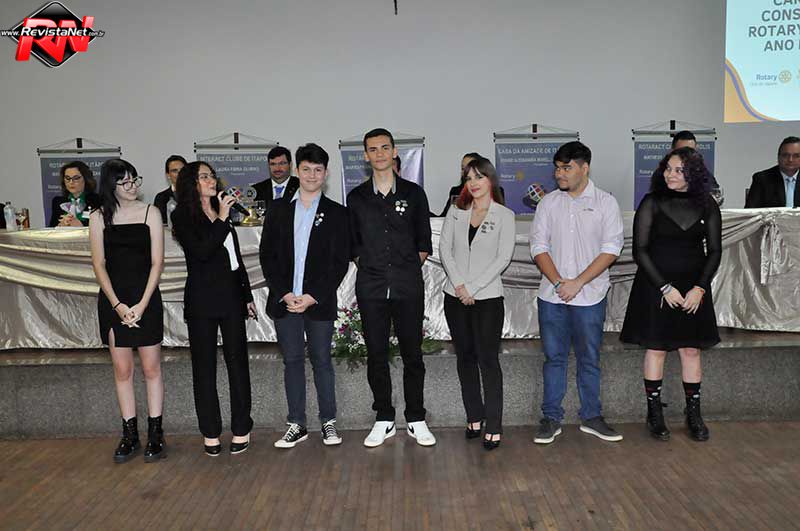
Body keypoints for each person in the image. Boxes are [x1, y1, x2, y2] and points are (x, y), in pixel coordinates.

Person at [620, 147, 721, 442]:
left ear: (693, 174)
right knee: (657, 349)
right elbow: (640, 251)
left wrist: (700, 288)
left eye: (678, 170)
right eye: (668, 168)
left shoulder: (707, 205)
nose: (670, 174)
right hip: (656, 286)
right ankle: (654, 414)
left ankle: (694, 415)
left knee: (691, 350)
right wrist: (664, 287)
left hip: (694, 288)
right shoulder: (652, 202)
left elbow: (715, 251)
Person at [529, 141, 624, 445]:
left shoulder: (606, 203)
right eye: (557, 168)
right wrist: (559, 283)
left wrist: (579, 282)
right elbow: (538, 247)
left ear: (585, 168)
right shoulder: (548, 204)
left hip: (590, 296)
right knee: (554, 358)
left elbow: (612, 249)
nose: (560, 173)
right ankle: (551, 418)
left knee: (589, 358)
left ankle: (592, 417)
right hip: (552, 295)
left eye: (567, 168)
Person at [347, 128, 436, 447]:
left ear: (394, 151)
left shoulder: (414, 194)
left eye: (385, 147)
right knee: (376, 355)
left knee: (413, 355)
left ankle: (416, 418)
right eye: (373, 149)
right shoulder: (356, 197)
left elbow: (423, 243)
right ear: (366, 155)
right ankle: (384, 418)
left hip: (407, 286)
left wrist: (402, 269)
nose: (380, 154)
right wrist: (373, 267)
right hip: (371, 288)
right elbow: (353, 244)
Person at [260, 143, 350, 449]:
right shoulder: (278, 210)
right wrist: (285, 293)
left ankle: (328, 421)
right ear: (297, 171)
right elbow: (267, 257)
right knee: (293, 361)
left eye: (318, 170)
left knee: (322, 361)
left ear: (325, 174)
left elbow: (339, 263)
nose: (312, 175)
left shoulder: (337, 213)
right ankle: (296, 423)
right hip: (285, 301)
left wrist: (312, 296)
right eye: (306, 169)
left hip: (318, 302)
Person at [171, 161, 257, 456]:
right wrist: (221, 217)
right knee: (204, 368)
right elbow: (202, 251)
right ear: (191, 183)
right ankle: (210, 431)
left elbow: (234, 258)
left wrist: (246, 294)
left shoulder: (223, 213)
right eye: (204, 177)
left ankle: (242, 427)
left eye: (211, 175)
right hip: (203, 299)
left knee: (238, 364)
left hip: (231, 296)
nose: (211, 180)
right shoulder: (182, 216)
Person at [88, 159, 166, 463]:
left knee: (151, 368)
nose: (132, 186)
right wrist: (118, 305)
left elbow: (157, 262)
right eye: (125, 182)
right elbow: (99, 264)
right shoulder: (98, 217)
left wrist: (141, 305)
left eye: (135, 179)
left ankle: (156, 433)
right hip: (114, 300)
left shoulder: (151, 212)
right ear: (112, 186)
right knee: (122, 370)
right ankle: (129, 434)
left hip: (146, 297)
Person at [439, 157, 515, 450]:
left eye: (479, 177)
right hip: (455, 296)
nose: (473, 183)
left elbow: (503, 258)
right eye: (468, 178)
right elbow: (445, 249)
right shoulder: (456, 211)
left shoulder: (504, 215)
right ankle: (474, 415)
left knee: (488, 360)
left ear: (490, 180)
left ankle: (494, 424)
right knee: (465, 358)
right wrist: (460, 285)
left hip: (488, 298)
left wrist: (472, 287)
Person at [745, 136, 800, 208]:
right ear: (778, 157)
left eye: (796, 156)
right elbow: (750, 211)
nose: (790, 160)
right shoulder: (762, 179)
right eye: (785, 155)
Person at [49, 161, 101, 227]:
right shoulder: (57, 201)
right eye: (67, 178)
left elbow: (102, 226)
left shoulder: (97, 200)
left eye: (76, 178)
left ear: (86, 179)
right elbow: (51, 227)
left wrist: (81, 225)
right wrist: (60, 226)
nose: (71, 182)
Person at [439, 152, 481, 217]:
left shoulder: (489, 192)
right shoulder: (456, 191)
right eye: (463, 169)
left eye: (468, 168)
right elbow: (444, 217)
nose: (465, 172)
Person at [153, 155, 187, 222]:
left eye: (183, 170)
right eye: (175, 171)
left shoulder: (198, 194)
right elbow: (161, 223)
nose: (180, 174)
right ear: (168, 175)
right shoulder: (161, 198)